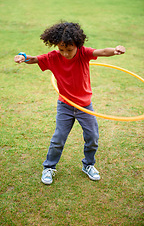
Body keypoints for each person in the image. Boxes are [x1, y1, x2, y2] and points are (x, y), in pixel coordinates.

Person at [14, 21, 125, 185]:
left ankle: (88, 165)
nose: (65, 53)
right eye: (61, 49)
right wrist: (23, 57)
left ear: (77, 45)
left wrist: (115, 51)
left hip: (85, 106)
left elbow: (101, 51)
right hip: (65, 106)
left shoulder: (83, 54)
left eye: (69, 49)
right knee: (58, 138)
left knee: (93, 137)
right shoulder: (53, 57)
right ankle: (49, 167)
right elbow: (35, 59)